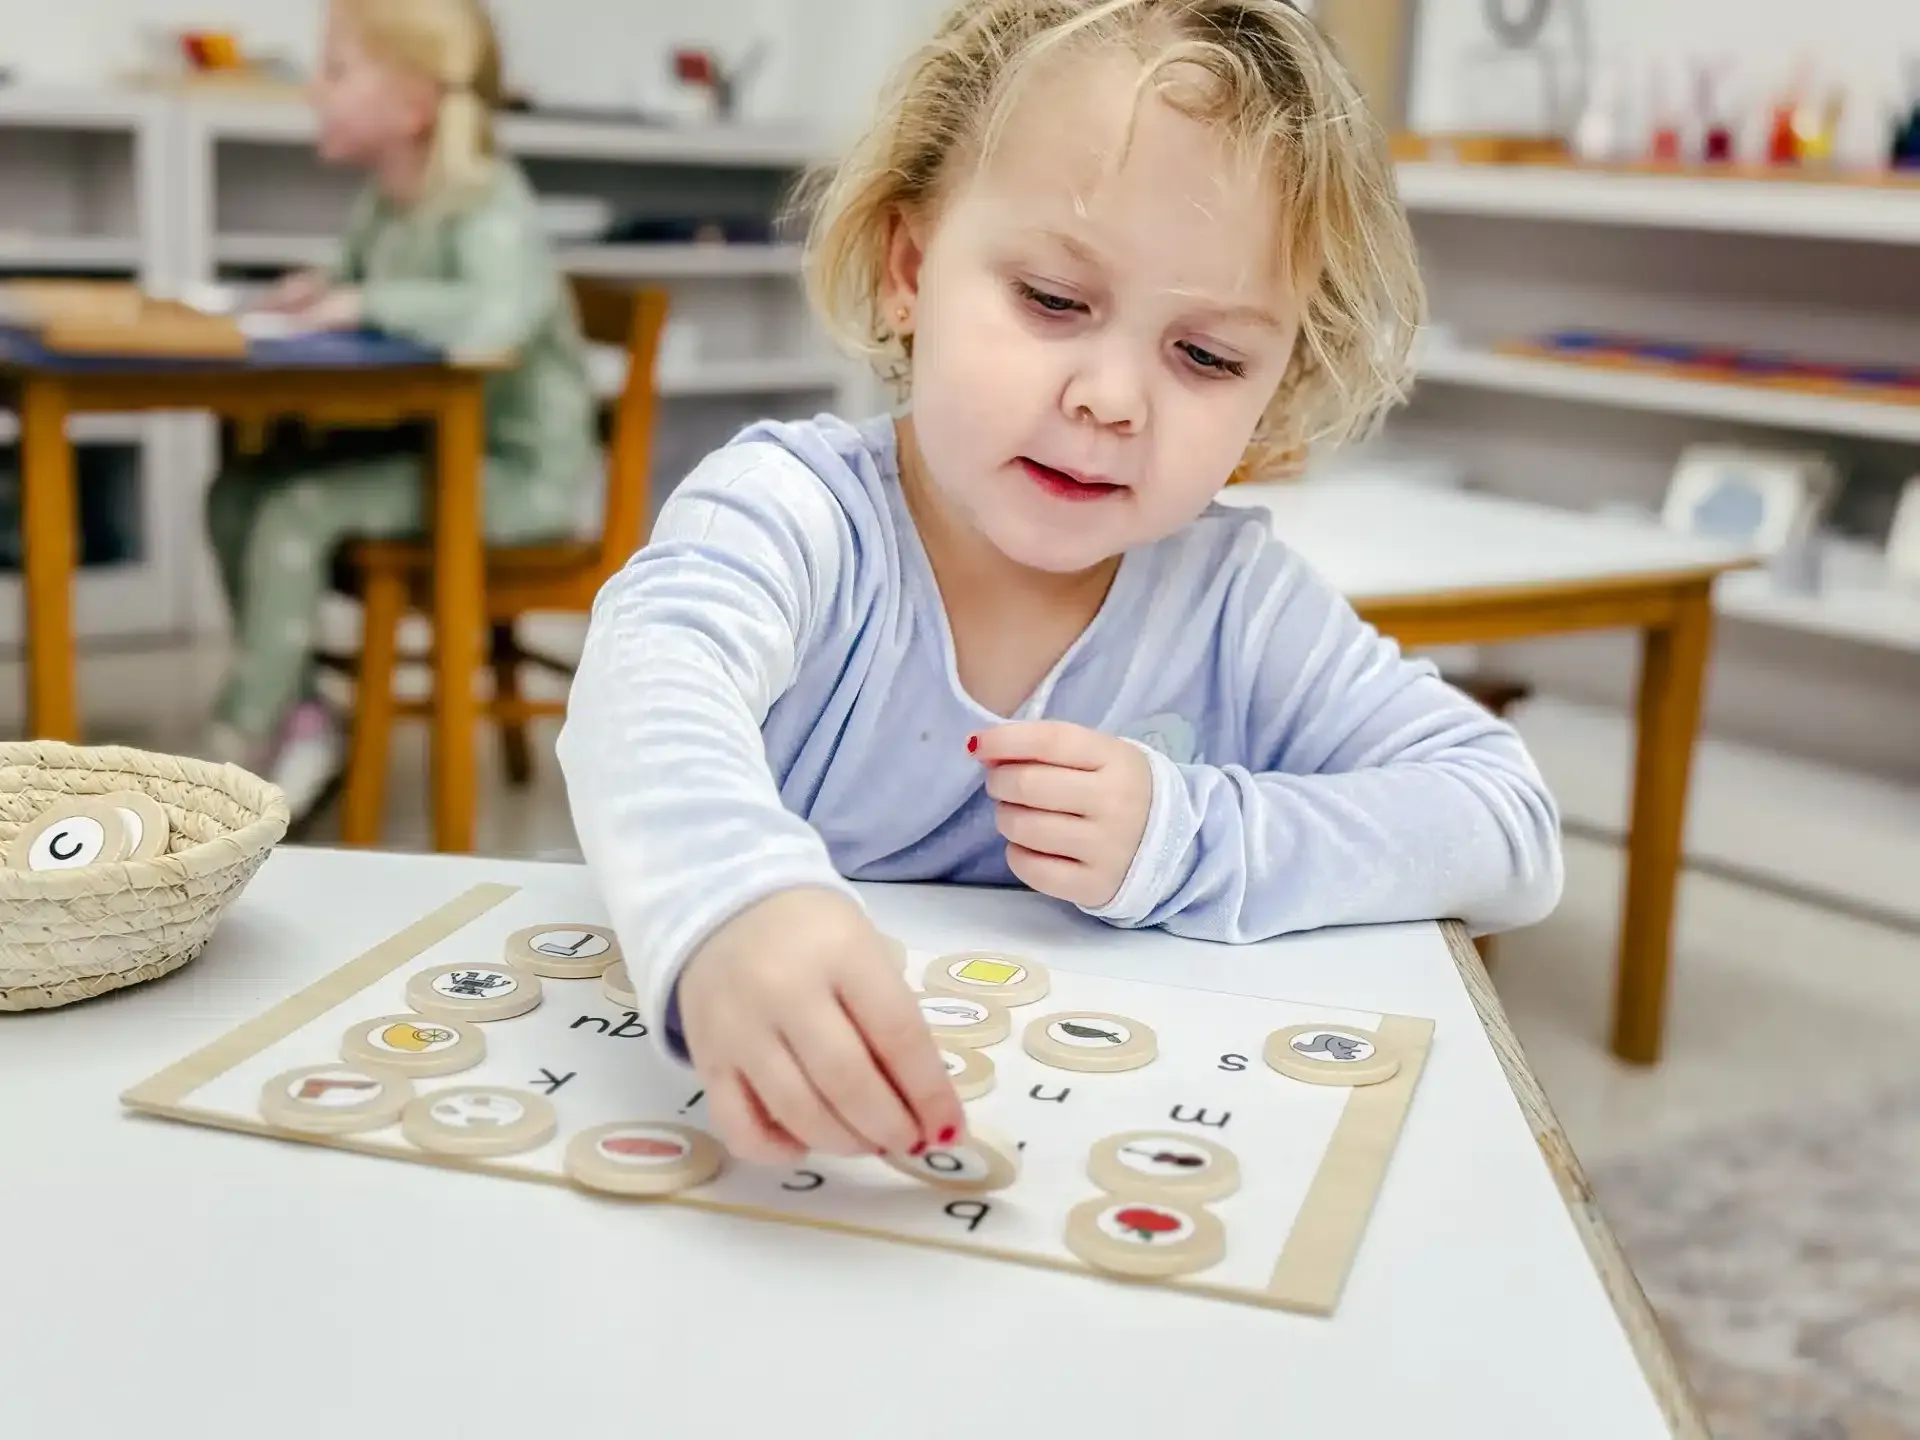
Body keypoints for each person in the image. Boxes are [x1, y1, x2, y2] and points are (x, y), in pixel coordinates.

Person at [556, 0, 1564, 1171]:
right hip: (769, 1166)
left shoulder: (1235, 598)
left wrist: (1190, 836)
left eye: (1206, 356)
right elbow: (643, 681)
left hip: (1070, 1159)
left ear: (1276, 389)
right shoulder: (796, 511)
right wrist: (732, 903)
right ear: (911, 271)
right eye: (1053, 301)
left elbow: (1509, 824)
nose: (1113, 397)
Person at [200, 0, 598, 820]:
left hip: (512, 479)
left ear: (413, 104)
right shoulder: (387, 201)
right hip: (429, 455)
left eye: (336, 70)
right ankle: (303, 714)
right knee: (237, 489)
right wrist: (325, 288)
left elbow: (494, 319)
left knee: (293, 510)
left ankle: (236, 741)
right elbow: (354, 277)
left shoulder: (487, 200)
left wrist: (361, 302)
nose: (313, 90)